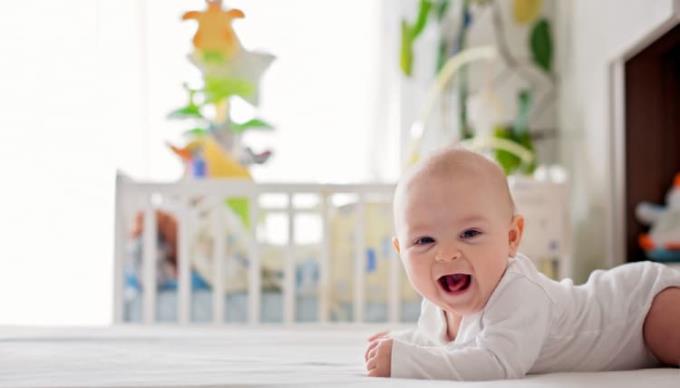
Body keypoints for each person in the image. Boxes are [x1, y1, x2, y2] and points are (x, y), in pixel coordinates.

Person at [365, 147, 680, 380]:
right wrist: (400, 340)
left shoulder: (517, 292)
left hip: (639, 310)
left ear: (512, 238)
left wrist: (405, 361)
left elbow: (496, 362)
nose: (446, 254)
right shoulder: (436, 305)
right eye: (424, 241)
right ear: (400, 250)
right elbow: (439, 343)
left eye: (470, 233)